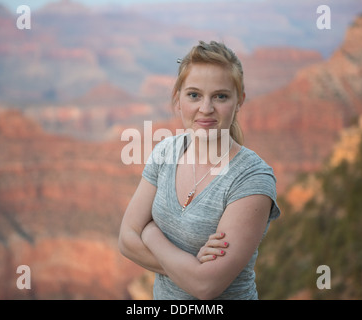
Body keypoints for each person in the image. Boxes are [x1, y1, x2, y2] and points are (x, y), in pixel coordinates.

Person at [118, 40, 280, 300]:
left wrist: (149, 233)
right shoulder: (166, 152)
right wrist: (192, 269)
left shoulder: (251, 179)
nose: (206, 108)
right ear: (178, 100)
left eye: (221, 96)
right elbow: (126, 240)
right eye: (194, 95)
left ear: (239, 101)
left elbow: (207, 286)